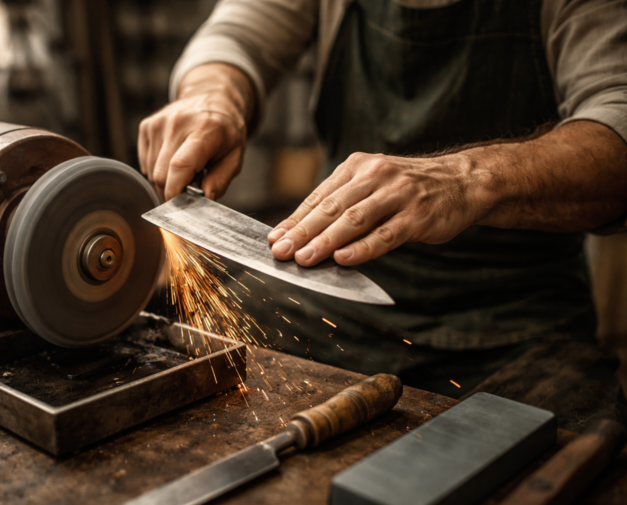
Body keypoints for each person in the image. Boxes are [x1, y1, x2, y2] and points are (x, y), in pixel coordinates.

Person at [138, 0, 627, 426]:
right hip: (330, 289)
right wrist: (214, 96)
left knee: (573, 462)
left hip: (519, 318)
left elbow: (617, 124)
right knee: (159, 368)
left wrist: (468, 179)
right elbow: (238, 33)